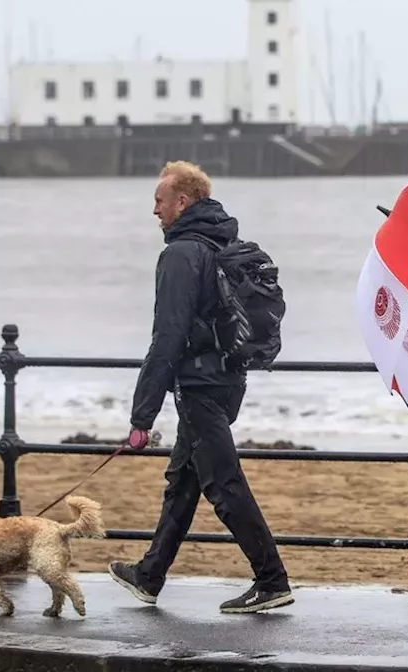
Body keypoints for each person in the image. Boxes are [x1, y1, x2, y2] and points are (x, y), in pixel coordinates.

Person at [107, 161, 293, 614]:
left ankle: (272, 581)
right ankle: (150, 576)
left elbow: (167, 336)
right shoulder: (223, 243)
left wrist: (141, 418)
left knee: (223, 485)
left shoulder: (181, 254)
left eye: (159, 201)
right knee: (183, 481)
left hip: (199, 386)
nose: (155, 210)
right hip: (230, 380)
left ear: (182, 201)